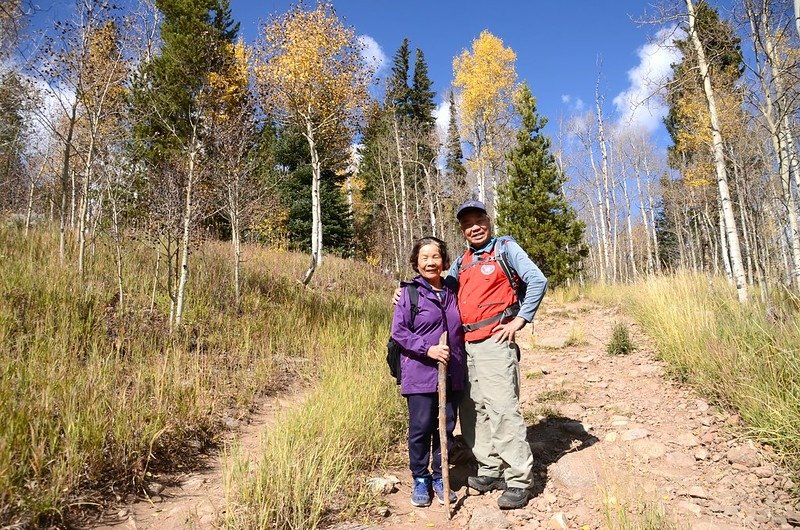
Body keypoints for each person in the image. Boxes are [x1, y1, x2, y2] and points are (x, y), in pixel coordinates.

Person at [448, 199, 547, 510]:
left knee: (503, 408)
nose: (474, 226)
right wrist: (405, 292)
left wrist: (520, 320)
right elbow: (438, 289)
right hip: (466, 345)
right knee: (473, 409)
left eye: (479, 220)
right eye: (467, 223)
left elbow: (537, 280)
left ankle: (518, 479)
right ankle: (490, 469)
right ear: (462, 229)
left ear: (487, 222)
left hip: (495, 340)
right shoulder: (461, 262)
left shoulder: (504, 248)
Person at [390, 236, 466, 508]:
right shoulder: (409, 293)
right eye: (425, 258)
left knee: (445, 426)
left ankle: (440, 476)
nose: (431, 262)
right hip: (420, 373)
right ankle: (420, 477)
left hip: (453, 371)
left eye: (436, 257)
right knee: (421, 427)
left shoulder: (453, 290)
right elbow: (398, 332)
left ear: (444, 261)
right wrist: (428, 349)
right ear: (416, 262)